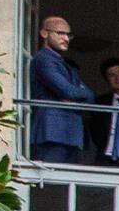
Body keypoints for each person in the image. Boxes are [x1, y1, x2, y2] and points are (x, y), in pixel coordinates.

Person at [26, 13, 94, 163]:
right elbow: (67, 91)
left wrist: (77, 95)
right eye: (60, 33)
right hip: (51, 132)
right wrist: (76, 93)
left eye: (68, 35)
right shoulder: (44, 59)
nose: (66, 39)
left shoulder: (63, 63)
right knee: (52, 182)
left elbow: (90, 97)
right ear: (44, 33)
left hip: (69, 134)